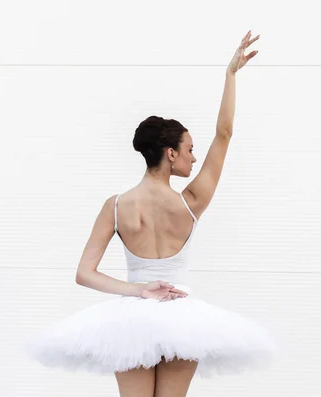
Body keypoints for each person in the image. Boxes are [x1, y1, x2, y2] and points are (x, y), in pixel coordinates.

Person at [24, 30, 275, 397]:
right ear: (170, 153)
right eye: (189, 148)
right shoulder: (192, 201)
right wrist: (230, 75)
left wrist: (138, 290)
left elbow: (84, 274)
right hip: (183, 317)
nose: (194, 156)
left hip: (131, 320)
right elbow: (225, 134)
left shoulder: (115, 206)